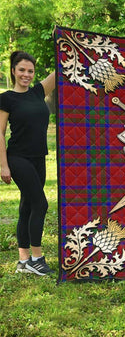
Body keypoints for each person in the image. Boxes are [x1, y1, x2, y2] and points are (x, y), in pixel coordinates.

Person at [0, 51, 55, 275]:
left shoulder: (38, 92)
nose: (26, 74)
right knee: (41, 204)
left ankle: (23, 261)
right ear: (13, 71)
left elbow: (60, 70)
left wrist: (69, 44)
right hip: (17, 158)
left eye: (30, 71)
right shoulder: (6, 98)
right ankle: (37, 258)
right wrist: (3, 166)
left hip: (38, 157)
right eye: (21, 70)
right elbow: (0, 133)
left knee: (27, 206)